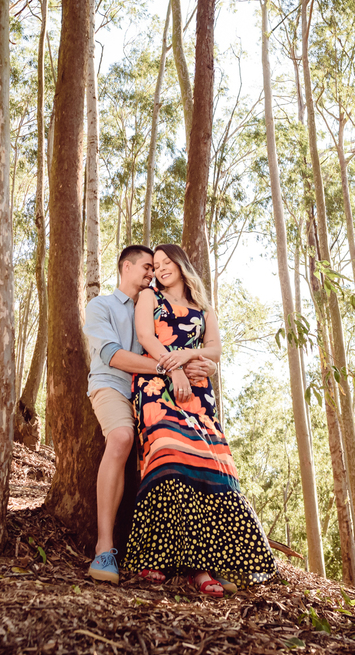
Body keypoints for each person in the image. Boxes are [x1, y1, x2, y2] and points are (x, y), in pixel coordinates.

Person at [122, 244, 277, 596]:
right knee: (168, 454)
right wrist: (173, 367)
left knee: (212, 466)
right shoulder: (150, 298)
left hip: (199, 394)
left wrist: (191, 354)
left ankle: (201, 567)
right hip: (156, 385)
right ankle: (155, 556)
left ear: (180, 265)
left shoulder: (204, 310)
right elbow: (146, 337)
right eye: (155, 265)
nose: (160, 269)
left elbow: (215, 351)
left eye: (165, 263)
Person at [83, 244, 215, 583]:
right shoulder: (102, 305)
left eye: (155, 268)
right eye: (146, 267)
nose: (151, 273)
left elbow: (192, 343)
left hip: (154, 391)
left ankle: (187, 558)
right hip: (113, 384)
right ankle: (104, 549)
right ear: (125, 267)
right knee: (122, 437)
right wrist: (170, 368)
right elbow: (113, 355)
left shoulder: (158, 302)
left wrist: (201, 363)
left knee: (177, 452)